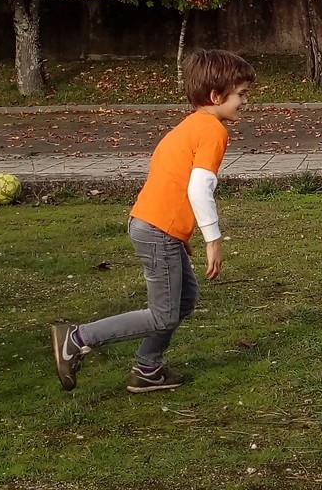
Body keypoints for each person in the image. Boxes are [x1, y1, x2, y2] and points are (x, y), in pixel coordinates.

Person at [52, 49, 255, 393]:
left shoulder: (190, 126)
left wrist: (180, 234)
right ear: (216, 96)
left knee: (184, 300)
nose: (245, 102)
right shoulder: (212, 131)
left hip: (156, 227)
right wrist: (213, 238)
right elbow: (198, 188)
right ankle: (77, 339)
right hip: (156, 230)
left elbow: (171, 183)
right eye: (241, 94)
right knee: (163, 314)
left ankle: (147, 369)